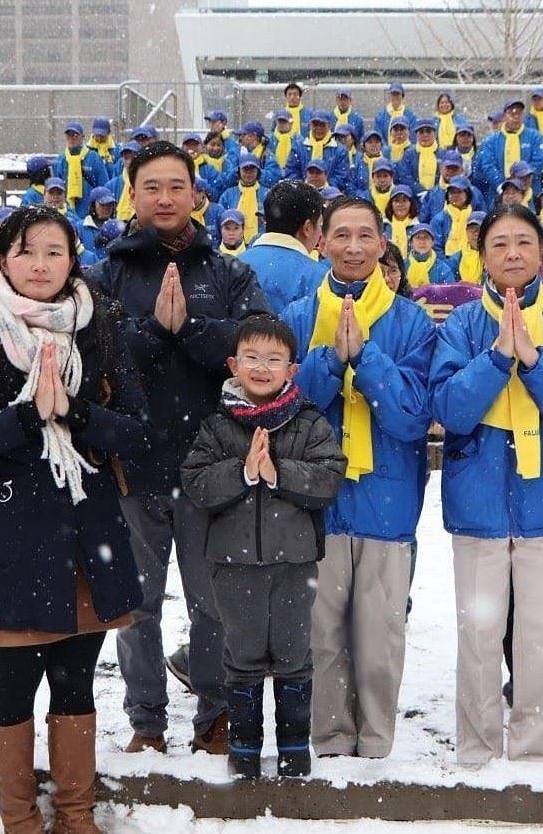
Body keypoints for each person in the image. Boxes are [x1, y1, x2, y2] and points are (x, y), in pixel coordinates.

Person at [0, 205, 149, 834]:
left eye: (54, 251)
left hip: (87, 531)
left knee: (77, 684)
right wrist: (26, 416)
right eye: (25, 252)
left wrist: (75, 413)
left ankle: (76, 817)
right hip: (11, 534)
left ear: (73, 259)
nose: (40, 265)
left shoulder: (99, 323)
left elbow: (137, 433)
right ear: (1, 260)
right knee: (13, 686)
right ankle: (20, 820)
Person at [85, 141, 271, 757]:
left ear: (196, 194)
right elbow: (93, 354)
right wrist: (151, 334)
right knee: (135, 607)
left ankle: (214, 717)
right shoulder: (104, 274)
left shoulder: (229, 272)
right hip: (131, 467)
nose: (164, 198)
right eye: (151, 187)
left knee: (212, 604)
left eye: (176, 186)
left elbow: (257, 350)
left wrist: (188, 328)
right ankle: (146, 721)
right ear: (131, 195)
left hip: (209, 469)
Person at [428, 203, 543, 764]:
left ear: (542, 254)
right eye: (500, 243)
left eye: (524, 243)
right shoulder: (461, 324)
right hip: (478, 500)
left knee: (539, 638)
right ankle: (477, 750)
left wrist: (532, 358)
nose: (512, 254)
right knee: (479, 639)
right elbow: (451, 408)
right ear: (482, 255)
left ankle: (530, 749)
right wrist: (497, 356)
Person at [281, 196, 436, 759]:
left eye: (364, 236)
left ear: (381, 244)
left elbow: (414, 415)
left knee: (379, 640)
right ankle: (328, 741)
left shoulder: (410, 321)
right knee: (321, 638)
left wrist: (366, 358)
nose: (352, 247)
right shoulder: (298, 318)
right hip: (314, 504)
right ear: (319, 241)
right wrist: (328, 361)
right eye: (340, 234)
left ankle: (375, 744)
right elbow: (282, 409)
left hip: (386, 500)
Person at [181, 317, 346, 779]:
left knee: (294, 656)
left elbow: (330, 476)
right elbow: (195, 481)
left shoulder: (308, 421)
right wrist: (244, 472)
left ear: (291, 369)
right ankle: (245, 752)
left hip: (294, 563)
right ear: (233, 364)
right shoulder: (217, 425)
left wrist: (280, 474)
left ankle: (295, 751)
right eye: (251, 357)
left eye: (274, 360)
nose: (261, 368)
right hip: (233, 566)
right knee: (243, 657)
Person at [237, 180, 327, 315]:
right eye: (320, 224)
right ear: (307, 228)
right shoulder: (317, 276)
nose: (321, 232)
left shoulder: (234, 264)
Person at [476, 98, 543, 206]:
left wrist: (522, 184)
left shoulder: (535, 137)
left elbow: (539, 162)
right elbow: (488, 165)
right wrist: (502, 186)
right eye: (511, 113)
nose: (515, 117)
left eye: (519, 113)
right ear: (504, 116)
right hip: (499, 194)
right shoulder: (491, 141)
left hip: (528, 194)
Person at [53, 121, 109, 219]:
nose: (72, 139)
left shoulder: (93, 158)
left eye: (75, 135)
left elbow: (104, 185)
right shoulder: (61, 160)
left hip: (89, 215)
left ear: (82, 137)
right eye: (69, 136)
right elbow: (56, 187)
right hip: (67, 215)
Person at [284, 110, 350, 193]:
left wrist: (325, 188)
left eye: (322, 125)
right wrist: (303, 187)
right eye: (315, 124)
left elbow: (342, 175)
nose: (318, 128)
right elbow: (291, 171)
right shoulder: (298, 147)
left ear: (329, 126)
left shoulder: (339, 150)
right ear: (310, 125)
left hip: (330, 196)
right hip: (302, 194)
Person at [420, 150, 485, 224]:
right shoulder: (432, 194)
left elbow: (482, 220)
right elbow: (424, 221)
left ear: (461, 170)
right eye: (448, 168)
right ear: (441, 168)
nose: (450, 171)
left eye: (455, 169)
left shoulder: (474, 193)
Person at [219, 155, 269, 245]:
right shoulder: (228, 195)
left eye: (252, 170)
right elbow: (221, 220)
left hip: (261, 243)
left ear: (258, 172)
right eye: (245, 169)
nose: (249, 173)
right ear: (239, 171)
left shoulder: (267, 194)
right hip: (234, 246)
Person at [431, 177, 474, 259]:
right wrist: (447, 265)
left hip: (471, 260)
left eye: (459, 192)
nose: (455, 195)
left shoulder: (475, 217)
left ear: (467, 194)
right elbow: (436, 247)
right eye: (452, 192)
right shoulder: (439, 219)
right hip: (447, 262)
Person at [231, 121, 282, 190]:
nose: (240, 139)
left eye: (243, 135)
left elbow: (274, 177)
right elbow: (227, 176)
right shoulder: (236, 152)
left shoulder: (266, 155)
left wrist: (254, 171)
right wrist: (239, 172)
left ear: (253, 136)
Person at [395, 118, 440, 195]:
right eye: (421, 132)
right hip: (415, 196)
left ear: (435, 134)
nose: (425, 135)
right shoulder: (409, 154)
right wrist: (420, 191)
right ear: (416, 135)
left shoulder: (442, 153)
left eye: (428, 131)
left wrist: (434, 193)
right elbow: (405, 176)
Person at [405, 222, 455, 287]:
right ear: (411, 243)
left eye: (426, 237)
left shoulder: (443, 269)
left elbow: (449, 293)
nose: (422, 242)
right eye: (418, 238)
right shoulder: (403, 266)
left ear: (432, 242)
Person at [448, 210, 486, 285]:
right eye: (472, 229)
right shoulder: (455, 259)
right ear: (466, 231)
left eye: (479, 229)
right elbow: (451, 287)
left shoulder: (496, 258)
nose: (475, 233)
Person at [383, 184, 420, 260]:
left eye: (404, 200)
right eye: (396, 201)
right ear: (391, 204)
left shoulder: (418, 228)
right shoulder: (383, 226)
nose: (400, 204)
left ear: (411, 204)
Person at [77, 186, 116, 254]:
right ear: (93, 206)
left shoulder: (116, 227)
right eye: (102, 204)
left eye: (110, 204)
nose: (107, 208)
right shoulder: (80, 227)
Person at [349, 129, 387, 196]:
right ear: (364, 145)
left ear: (381, 145)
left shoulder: (388, 163)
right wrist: (366, 196)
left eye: (377, 142)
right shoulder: (357, 164)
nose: (374, 145)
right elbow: (351, 187)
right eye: (370, 142)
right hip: (362, 202)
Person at [191, 177, 223, 248]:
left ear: (203, 192)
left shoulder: (217, 211)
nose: (190, 198)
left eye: (194, 194)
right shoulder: (183, 214)